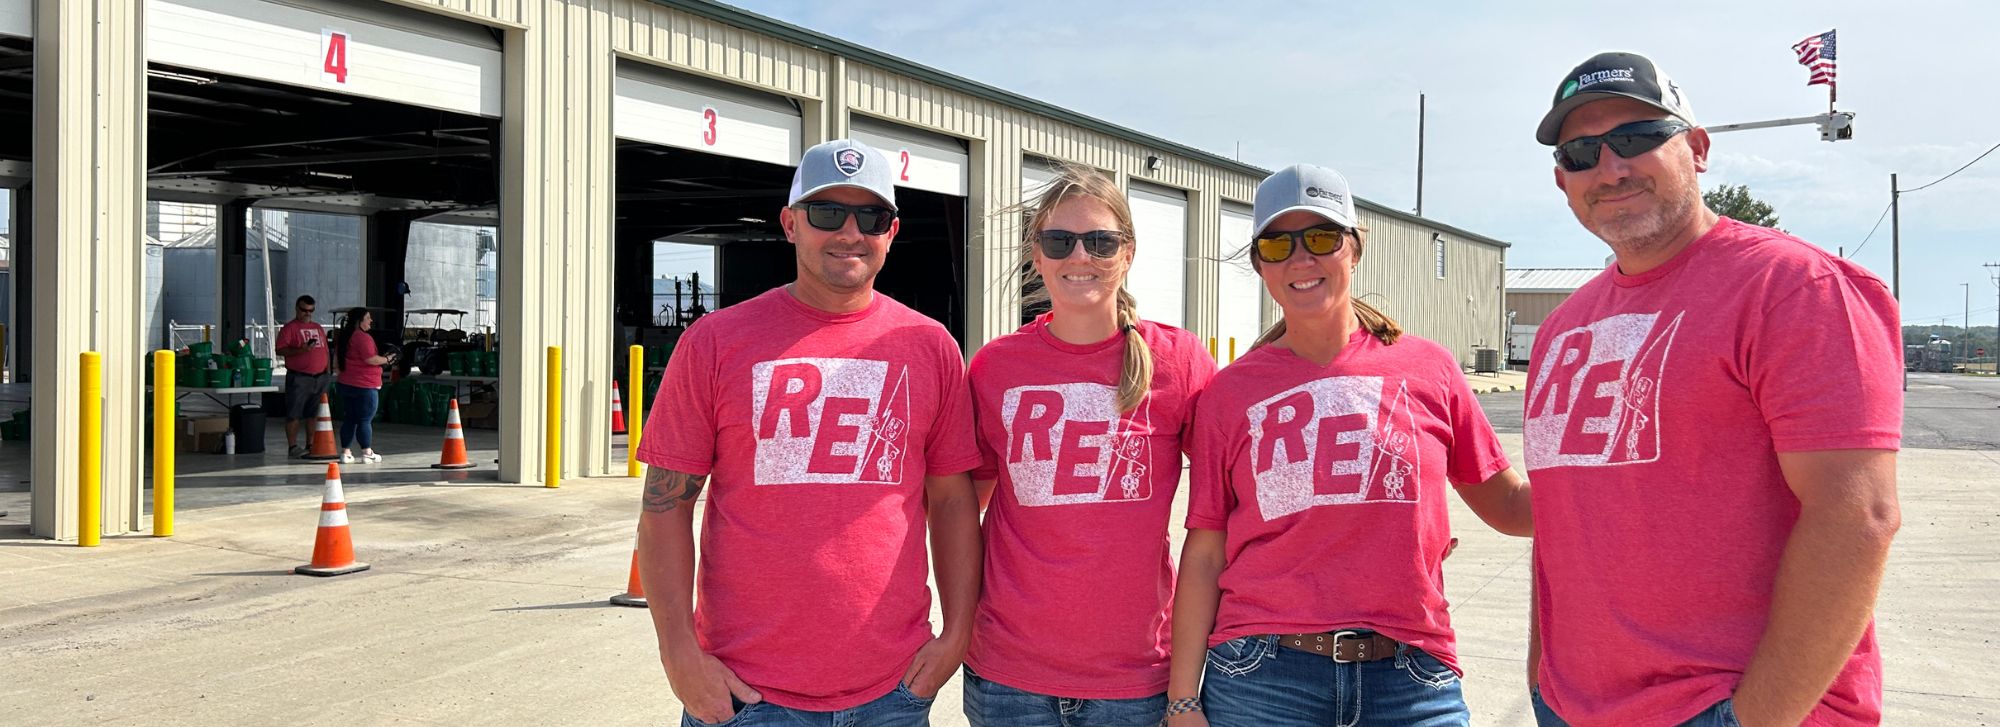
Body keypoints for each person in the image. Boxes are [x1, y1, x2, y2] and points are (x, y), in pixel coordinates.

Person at [1524, 52, 1902, 727]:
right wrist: (1544, 677)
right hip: (1572, 706)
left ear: (1696, 149)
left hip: (1728, 709)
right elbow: (1563, 522)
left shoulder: (1795, 289)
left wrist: (1753, 717)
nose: (1610, 168)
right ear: (1563, 180)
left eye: (1638, 139)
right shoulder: (1561, 328)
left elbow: (1857, 517)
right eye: (1583, 152)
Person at [1165, 164, 1533, 727]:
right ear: (1260, 263)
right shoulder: (1229, 394)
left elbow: (1508, 506)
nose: (1300, 259)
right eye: (1277, 244)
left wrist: (1629, 495)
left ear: (1354, 250)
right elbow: (1206, 552)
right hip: (1262, 680)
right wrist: (1183, 700)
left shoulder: (1428, 368)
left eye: (1320, 237)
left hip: (1412, 678)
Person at [633, 139, 983, 726]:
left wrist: (956, 634)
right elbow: (665, 507)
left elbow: (951, 501)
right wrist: (679, 654)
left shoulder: (929, 347)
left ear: (891, 232)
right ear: (790, 223)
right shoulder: (717, 342)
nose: (850, 232)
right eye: (827, 213)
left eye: (871, 216)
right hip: (747, 695)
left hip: (892, 694)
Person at [960, 165, 1216, 727]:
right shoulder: (995, 367)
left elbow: (1232, 505)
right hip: (1008, 680)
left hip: (1136, 681)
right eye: (1060, 241)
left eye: (1100, 241)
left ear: (1127, 253)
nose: (1080, 257)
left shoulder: (1179, 361)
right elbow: (958, 511)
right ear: (1036, 254)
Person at [332, 307, 394, 464]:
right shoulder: (363, 338)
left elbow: (335, 364)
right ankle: (367, 452)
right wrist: (387, 359)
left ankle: (345, 453)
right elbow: (371, 359)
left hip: (345, 383)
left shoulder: (344, 337)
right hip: (365, 385)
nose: (371, 321)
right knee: (365, 419)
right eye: (368, 318)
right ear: (359, 321)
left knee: (350, 418)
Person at [275, 295, 331, 457]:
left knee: (313, 414)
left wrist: (327, 370)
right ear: (297, 309)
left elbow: (325, 349)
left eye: (311, 310)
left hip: (320, 377)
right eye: (304, 310)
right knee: (294, 413)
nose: (307, 313)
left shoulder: (318, 327)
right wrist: (301, 350)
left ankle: (310, 444)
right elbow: (280, 350)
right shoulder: (289, 328)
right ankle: (292, 446)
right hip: (299, 377)